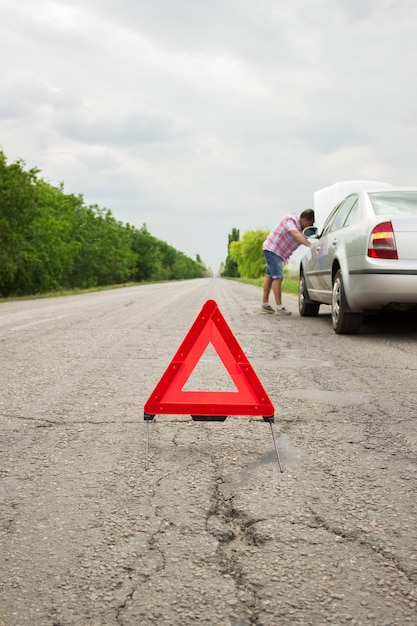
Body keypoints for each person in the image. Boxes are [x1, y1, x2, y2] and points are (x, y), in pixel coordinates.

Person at [261, 208, 315, 315]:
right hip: (273, 249)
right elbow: (294, 233)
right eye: (311, 223)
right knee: (278, 277)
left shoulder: (302, 230)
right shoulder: (291, 220)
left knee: (270, 276)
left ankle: (264, 304)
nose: (311, 226)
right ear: (304, 220)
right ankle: (279, 307)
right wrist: (310, 244)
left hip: (275, 251)